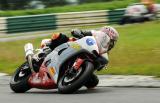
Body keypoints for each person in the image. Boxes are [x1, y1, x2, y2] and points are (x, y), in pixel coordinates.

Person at [28, 26, 119, 89]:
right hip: (74, 46)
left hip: (85, 62)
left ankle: (71, 78)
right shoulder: (94, 33)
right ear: (102, 34)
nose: (108, 43)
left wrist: (100, 64)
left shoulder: (105, 54)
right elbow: (81, 32)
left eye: (111, 43)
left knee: (94, 83)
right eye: (107, 40)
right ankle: (43, 54)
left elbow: (100, 66)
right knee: (59, 36)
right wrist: (78, 32)